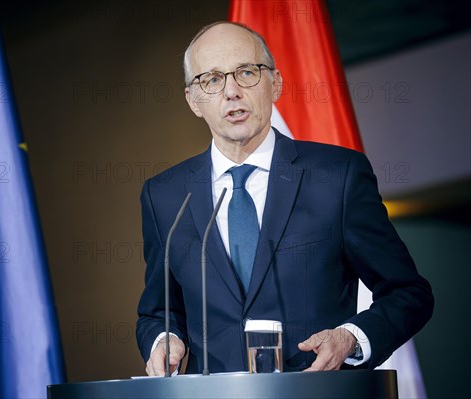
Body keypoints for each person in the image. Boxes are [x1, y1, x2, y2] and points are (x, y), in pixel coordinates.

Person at [136, 21, 433, 376]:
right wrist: (163, 339)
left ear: (275, 83)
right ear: (193, 100)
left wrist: (350, 339)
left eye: (246, 72)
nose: (231, 92)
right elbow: (158, 311)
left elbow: (408, 293)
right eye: (212, 80)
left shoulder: (338, 176)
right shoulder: (165, 196)